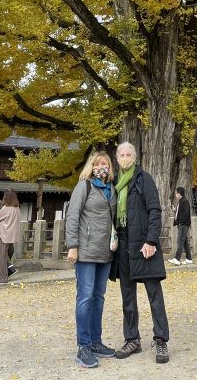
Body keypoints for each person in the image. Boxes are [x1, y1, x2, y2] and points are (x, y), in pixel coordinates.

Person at [111, 142, 170, 365]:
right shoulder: (114, 182)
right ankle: (132, 339)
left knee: (154, 295)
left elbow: (154, 209)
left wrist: (151, 240)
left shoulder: (143, 179)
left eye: (129, 154)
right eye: (122, 154)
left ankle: (161, 339)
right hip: (123, 245)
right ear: (117, 158)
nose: (125, 157)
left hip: (144, 244)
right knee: (128, 296)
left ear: (135, 157)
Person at [66, 152, 118, 368]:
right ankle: (83, 345)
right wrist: (72, 246)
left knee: (99, 297)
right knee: (85, 297)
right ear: (91, 166)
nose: (101, 167)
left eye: (104, 164)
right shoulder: (84, 186)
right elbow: (73, 215)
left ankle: (96, 341)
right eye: (97, 164)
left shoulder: (112, 189)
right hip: (86, 250)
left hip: (106, 251)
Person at [0, 190, 21, 284]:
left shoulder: (6, 208)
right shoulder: (17, 208)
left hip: (4, 235)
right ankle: (10, 269)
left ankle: (3, 277)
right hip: (12, 235)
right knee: (8, 253)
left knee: (2, 256)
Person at [168, 187, 192, 266]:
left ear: (179, 193)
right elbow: (181, 212)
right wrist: (175, 209)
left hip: (183, 224)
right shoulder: (181, 201)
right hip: (182, 224)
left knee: (180, 241)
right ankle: (189, 259)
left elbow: (186, 213)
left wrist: (180, 222)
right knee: (184, 242)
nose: (175, 194)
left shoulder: (184, 201)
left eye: (176, 193)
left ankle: (177, 259)